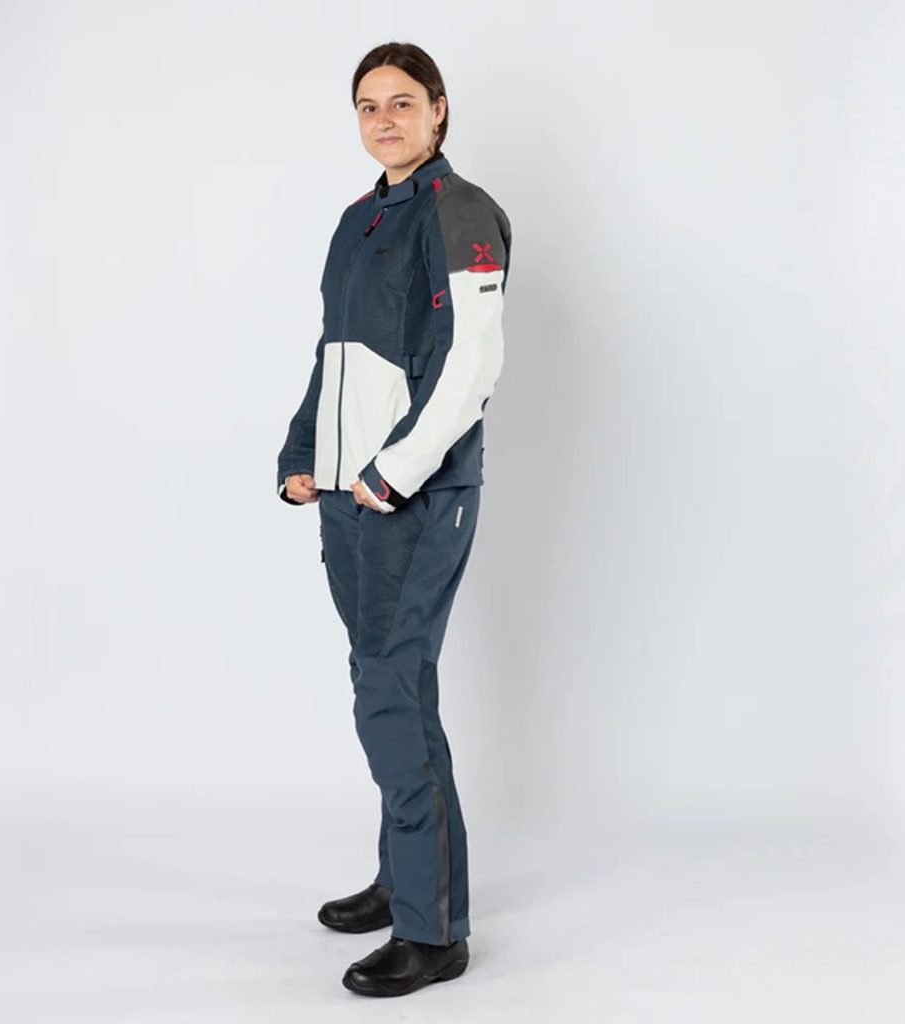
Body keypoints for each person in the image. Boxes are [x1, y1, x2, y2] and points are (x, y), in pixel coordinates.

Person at [275, 40, 511, 998]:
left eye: (403, 102)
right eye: (369, 106)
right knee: (390, 686)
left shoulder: (462, 212)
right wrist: (304, 453)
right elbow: (333, 353)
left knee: (388, 691)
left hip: (414, 498)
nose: (384, 120)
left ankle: (433, 930)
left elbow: (472, 364)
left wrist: (391, 472)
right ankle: (406, 878)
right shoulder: (359, 219)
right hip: (349, 497)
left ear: (439, 109)